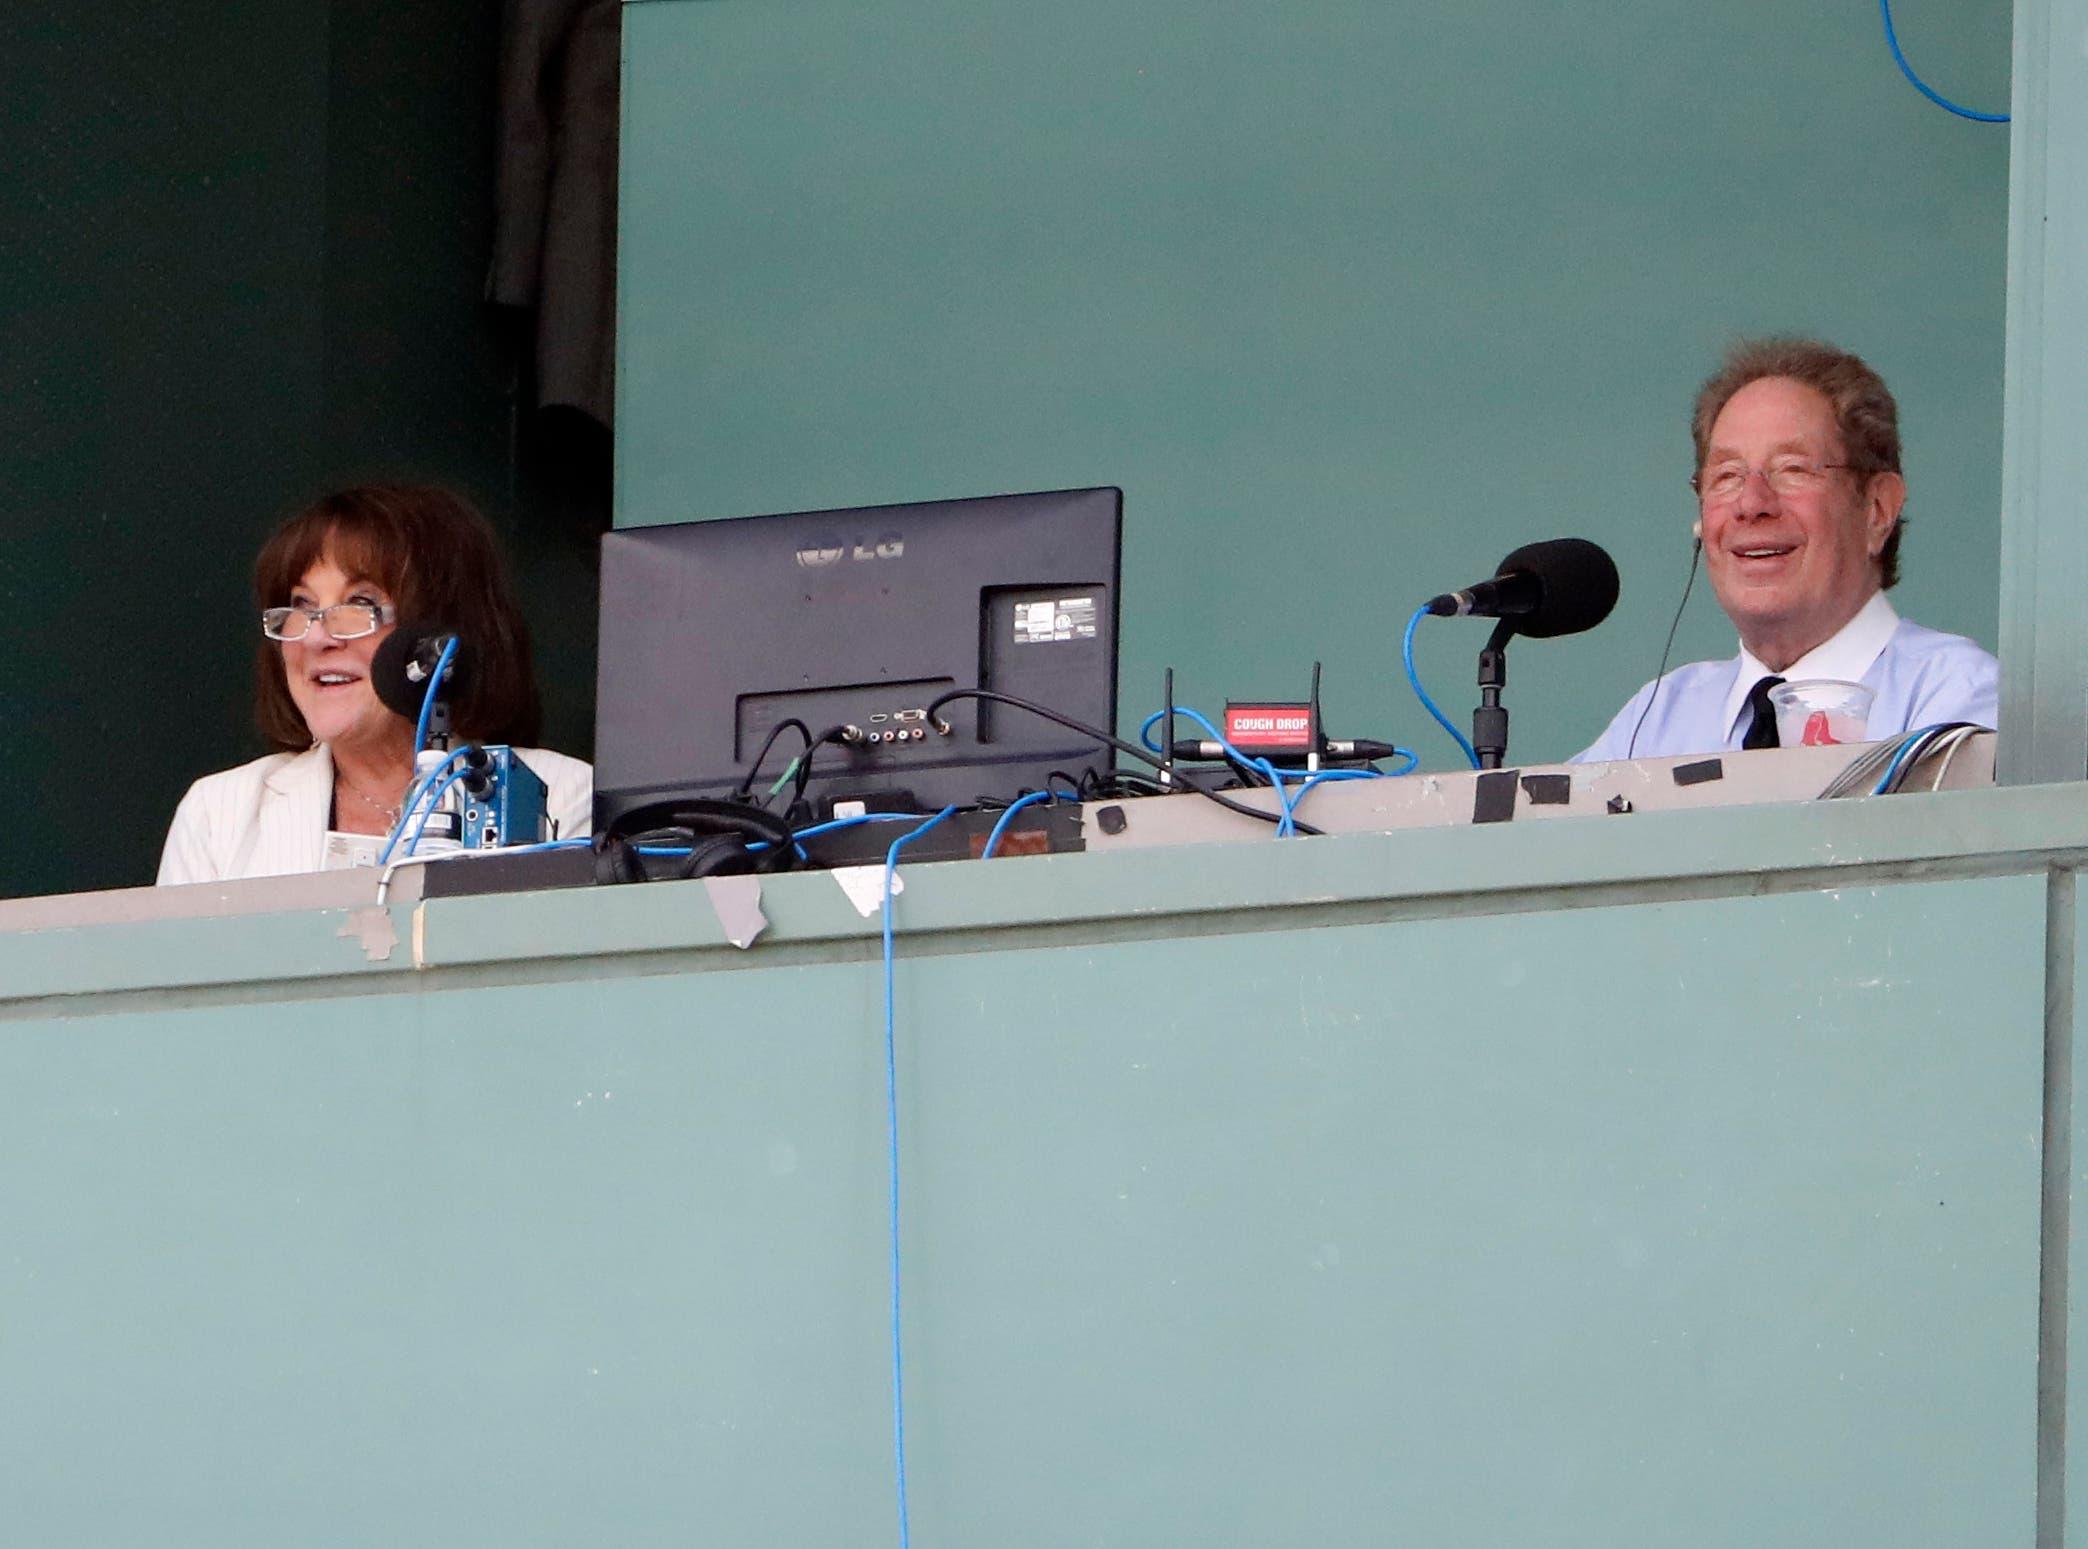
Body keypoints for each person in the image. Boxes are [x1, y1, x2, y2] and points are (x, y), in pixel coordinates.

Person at [1577, 338, 1999, 763]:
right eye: (1727, 476)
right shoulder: (1657, 721)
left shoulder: (1956, 698)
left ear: (1877, 509)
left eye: (1792, 469)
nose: (1751, 504)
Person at [158, 485, 591, 884]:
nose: (316, 636)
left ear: (442, 634)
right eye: (301, 606)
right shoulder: (218, 815)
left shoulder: (565, 800)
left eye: (360, 603)